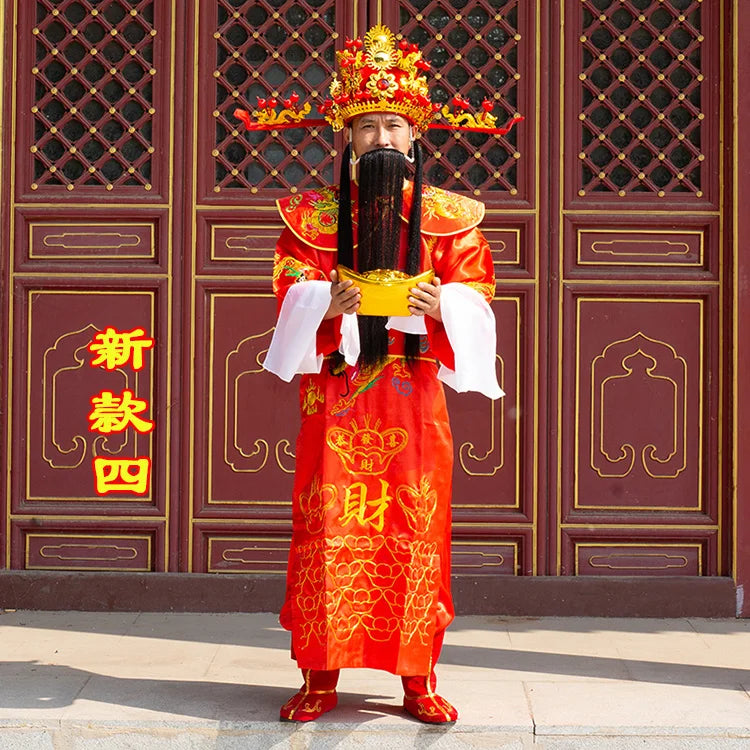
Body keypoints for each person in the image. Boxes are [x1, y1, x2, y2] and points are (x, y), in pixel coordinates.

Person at [241, 25, 506, 724]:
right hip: (335, 394)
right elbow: (290, 286)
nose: (382, 138)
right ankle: (319, 674)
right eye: (368, 127)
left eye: (393, 125)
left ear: (414, 135)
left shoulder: (453, 220)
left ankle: (418, 679)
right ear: (348, 138)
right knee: (326, 529)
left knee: (416, 531)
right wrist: (323, 302)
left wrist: (441, 306)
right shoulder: (309, 218)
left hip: (412, 396)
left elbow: (477, 294)